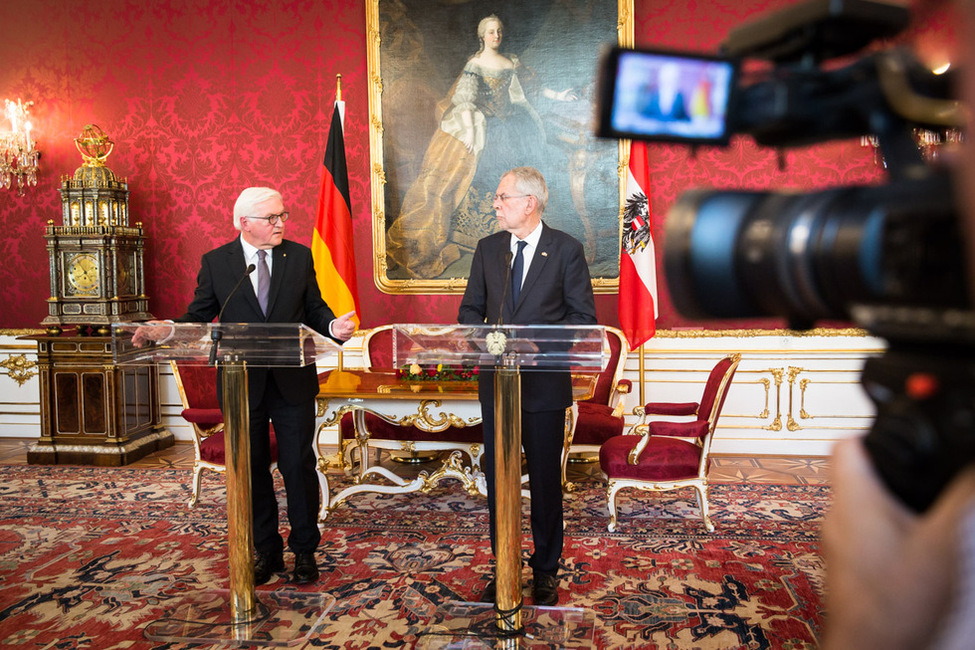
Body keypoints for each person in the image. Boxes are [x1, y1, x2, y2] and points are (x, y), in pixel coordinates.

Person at [133, 187, 356, 586]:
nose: (281, 224)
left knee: (298, 466)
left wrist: (333, 326)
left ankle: (305, 550)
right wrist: (165, 329)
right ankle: (265, 550)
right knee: (250, 469)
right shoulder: (218, 263)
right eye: (272, 218)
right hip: (241, 384)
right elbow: (199, 316)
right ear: (244, 223)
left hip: (292, 380)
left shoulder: (299, 256)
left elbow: (316, 308)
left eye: (283, 216)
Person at [458, 166, 597, 606]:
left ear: (529, 203)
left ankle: (545, 571)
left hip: (542, 386)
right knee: (499, 481)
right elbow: (469, 314)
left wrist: (540, 344)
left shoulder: (566, 250)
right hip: (497, 386)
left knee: (543, 483)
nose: (495, 204)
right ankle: (504, 564)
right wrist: (493, 341)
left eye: (502, 197)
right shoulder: (487, 249)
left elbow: (582, 319)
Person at [386, 14, 574, 279]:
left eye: (498, 31)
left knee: (526, 171)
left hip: (514, 125)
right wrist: (471, 131)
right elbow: (463, 100)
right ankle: (483, 230)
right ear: (482, 36)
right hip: (486, 126)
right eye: (490, 32)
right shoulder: (475, 63)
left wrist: (558, 95)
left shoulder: (511, 61)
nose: (495, 36)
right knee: (485, 168)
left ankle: (524, 226)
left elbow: (530, 90)